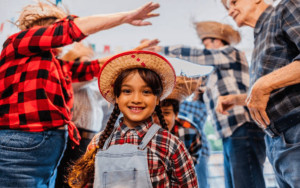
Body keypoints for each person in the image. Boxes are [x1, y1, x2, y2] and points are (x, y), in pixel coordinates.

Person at [0, 2, 160, 187]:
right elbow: (67, 30)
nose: (62, 42)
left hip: (42, 152)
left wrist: (136, 52)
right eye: (51, 31)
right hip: (20, 146)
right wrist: (126, 17)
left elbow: (96, 66)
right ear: (37, 32)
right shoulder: (17, 43)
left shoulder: (56, 64)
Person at [150, 21, 266, 188]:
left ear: (217, 41)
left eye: (206, 44)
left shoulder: (231, 53)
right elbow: (195, 91)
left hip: (243, 127)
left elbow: (198, 54)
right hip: (230, 133)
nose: (205, 48)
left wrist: (161, 50)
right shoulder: (216, 73)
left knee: (247, 184)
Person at [67, 50, 198, 188]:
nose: (136, 99)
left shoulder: (171, 145)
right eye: (127, 91)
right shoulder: (98, 143)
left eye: (146, 92)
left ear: (157, 99)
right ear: (117, 97)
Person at [219, 0, 300, 186]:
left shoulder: (285, 7)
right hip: (276, 141)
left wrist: (263, 84)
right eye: (227, 7)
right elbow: (277, 89)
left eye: (233, 2)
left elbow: (266, 86)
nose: (230, 11)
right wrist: (237, 99)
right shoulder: (260, 37)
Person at [153, 76, 202, 164]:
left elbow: (193, 160)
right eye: (154, 114)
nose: (160, 119)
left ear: (176, 114)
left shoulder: (191, 130)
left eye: (166, 113)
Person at [179, 83, 211, 188]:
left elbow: (178, 102)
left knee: (200, 184)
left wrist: (188, 89)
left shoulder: (200, 106)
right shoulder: (202, 106)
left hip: (199, 148)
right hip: (195, 148)